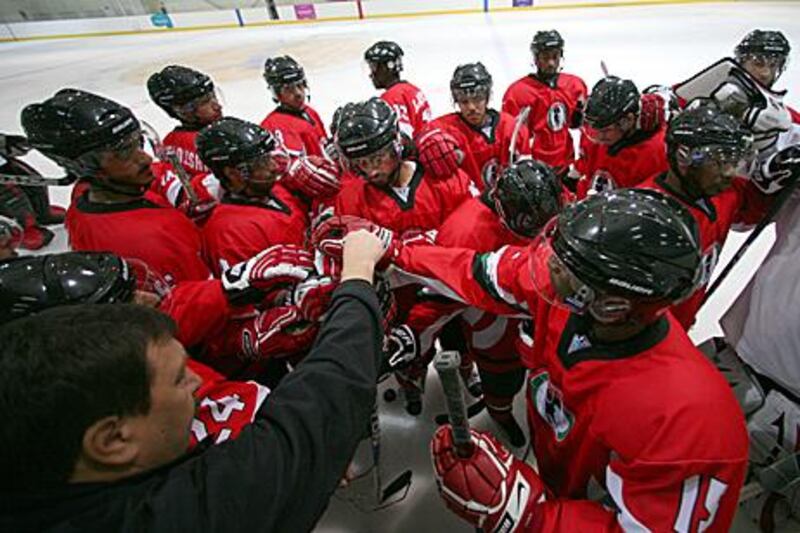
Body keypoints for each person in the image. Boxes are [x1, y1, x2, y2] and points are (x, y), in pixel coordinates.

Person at [315, 189, 749, 531]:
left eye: (565, 267)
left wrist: (530, 515)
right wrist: (396, 250)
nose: (546, 268)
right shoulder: (573, 296)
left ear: (612, 306)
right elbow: (480, 271)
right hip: (559, 472)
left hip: (582, 502)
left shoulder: (695, 425)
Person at [0, 228, 387, 532]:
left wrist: (228, 296)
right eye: (179, 379)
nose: (196, 384)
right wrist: (357, 278)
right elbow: (323, 405)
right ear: (113, 439)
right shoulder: (185, 517)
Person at [397, 160, 562, 441]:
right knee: (502, 377)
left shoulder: (543, 202)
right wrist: (415, 339)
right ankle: (500, 412)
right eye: (528, 224)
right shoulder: (463, 232)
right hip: (494, 326)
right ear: (503, 212)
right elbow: (440, 297)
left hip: (538, 313)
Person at [21, 88, 212, 286]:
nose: (145, 158)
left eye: (137, 143)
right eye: (124, 153)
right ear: (85, 165)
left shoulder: (90, 191)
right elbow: (198, 301)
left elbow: (167, 181)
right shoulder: (147, 241)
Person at [638, 100, 776, 329]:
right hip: (650, 336)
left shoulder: (724, 192)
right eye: (720, 161)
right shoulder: (648, 218)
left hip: (682, 323)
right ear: (684, 157)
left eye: (733, 161)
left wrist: (776, 174)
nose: (730, 172)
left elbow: (753, 216)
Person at [195, 117, 315, 275]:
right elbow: (256, 294)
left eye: (270, 157)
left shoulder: (274, 189)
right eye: (261, 163)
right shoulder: (229, 234)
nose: (273, 167)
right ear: (232, 173)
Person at [433, 62, 531, 191]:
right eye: (464, 102)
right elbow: (421, 136)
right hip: (470, 207)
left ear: (487, 97)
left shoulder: (511, 128)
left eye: (477, 99)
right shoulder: (445, 129)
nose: (471, 107)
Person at [502, 30, 587, 172]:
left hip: (566, 161)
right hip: (534, 167)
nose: (551, 63)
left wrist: (579, 117)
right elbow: (511, 138)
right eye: (545, 58)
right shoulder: (518, 92)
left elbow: (577, 126)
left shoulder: (574, 85)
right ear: (536, 59)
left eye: (555, 57)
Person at [576, 76, 669, 198]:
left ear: (628, 121)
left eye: (606, 130)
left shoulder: (658, 152)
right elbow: (586, 171)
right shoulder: (598, 136)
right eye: (595, 129)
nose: (598, 137)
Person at [147, 65, 222, 175]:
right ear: (183, 110)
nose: (217, 106)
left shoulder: (169, 143)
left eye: (213, 96)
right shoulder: (216, 141)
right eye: (204, 102)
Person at [260, 55, 329, 158]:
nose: (298, 93)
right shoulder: (273, 125)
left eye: (300, 85)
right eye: (289, 89)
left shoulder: (310, 112)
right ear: (277, 94)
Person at [364, 40, 432, 139]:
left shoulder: (390, 99)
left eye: (374, 67)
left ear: (388, 67)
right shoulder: (413, 89)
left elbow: (403, 137)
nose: (371, 74)